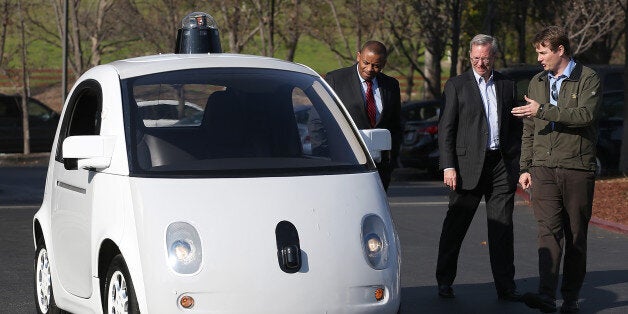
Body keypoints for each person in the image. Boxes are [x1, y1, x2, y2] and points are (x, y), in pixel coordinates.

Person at [511, 26, 601, 313]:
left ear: (560, 50)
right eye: (538, 52)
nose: (539, 58)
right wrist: (526, 166)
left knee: (575, 235)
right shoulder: (536, 82)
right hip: (543, 169)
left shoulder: (588, 78)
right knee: (547, 232)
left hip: (576, 168)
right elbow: (529, 128)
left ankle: (571, 298)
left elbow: (584, 116)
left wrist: (543, 110)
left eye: (543, 52)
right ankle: (547, 295)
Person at [436, 34, 523, 302]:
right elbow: (446, 129)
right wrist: (448, 166)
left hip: (500, 165)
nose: (480, 63)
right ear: (469, 57)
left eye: (485, 58)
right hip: (466, 167)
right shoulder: (456, 85)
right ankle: (444, 281)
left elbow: (517, 128)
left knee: (502, 228)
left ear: (494, 56)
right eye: (475, 58)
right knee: (456, 226)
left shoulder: (508, 85)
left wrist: (518, 163)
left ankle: (506, 286)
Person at [325, 40, 401, 191]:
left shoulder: (391, 85)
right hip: (345, 164)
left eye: (376, 65)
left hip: (379, 168)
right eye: (366, 62)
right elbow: (318, 122)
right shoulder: (336, 80)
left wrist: (392, 161)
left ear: (384, 64)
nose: (369, 69)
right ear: (358, 56)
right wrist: (326, 158)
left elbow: (396, 125)